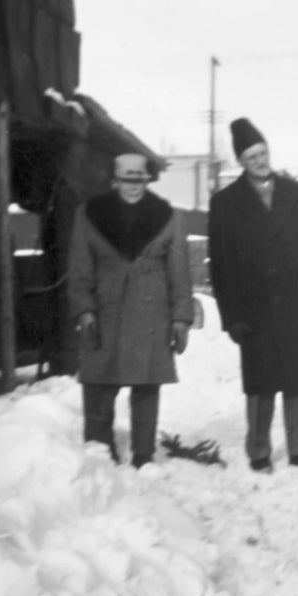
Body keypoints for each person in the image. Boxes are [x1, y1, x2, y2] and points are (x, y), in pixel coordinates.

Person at [208, 118, 298, 472]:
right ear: (241, 161)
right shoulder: (225, 203)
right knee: (261, 384)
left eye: (262, 152)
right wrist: (231, 315)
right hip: (254, 308)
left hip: (297, 302)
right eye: (250, 157)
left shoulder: (295, 193)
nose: (259, 161)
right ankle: (259, 451)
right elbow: (219, 266)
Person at [68, 152, 193, 468]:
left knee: (146, 384)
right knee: (98, 384)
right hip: (105, 310)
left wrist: (180, 318)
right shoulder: (90, 214)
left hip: (150, 311)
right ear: (115, 180)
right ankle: (99, 453)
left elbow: (179, 271)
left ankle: (143, 454)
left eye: (140, 178)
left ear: (147, 179)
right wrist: (84, 310)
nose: (134, 185)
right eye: (127, 178)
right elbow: (80, 269)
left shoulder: (168, 216)